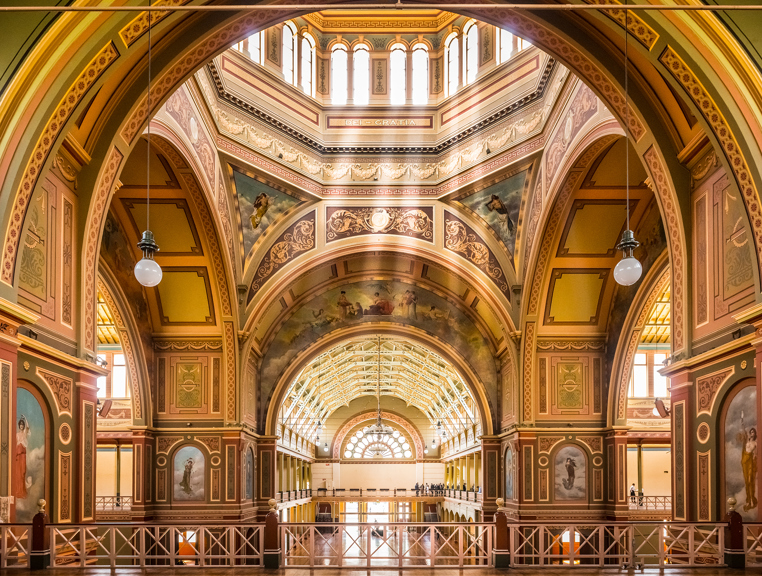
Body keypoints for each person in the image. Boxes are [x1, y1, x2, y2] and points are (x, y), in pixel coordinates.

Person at [13, 415, 30, 499]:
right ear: (19, 425)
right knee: (18, 473)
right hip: (17, 456)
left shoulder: (24, 434)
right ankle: (17, 492)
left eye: (22, 425)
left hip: (23, 456)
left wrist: (25, 418)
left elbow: (28, 427)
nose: (22, 426)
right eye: (21, 425)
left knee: (22, 473)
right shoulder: (16, 435)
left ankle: (22, 492)